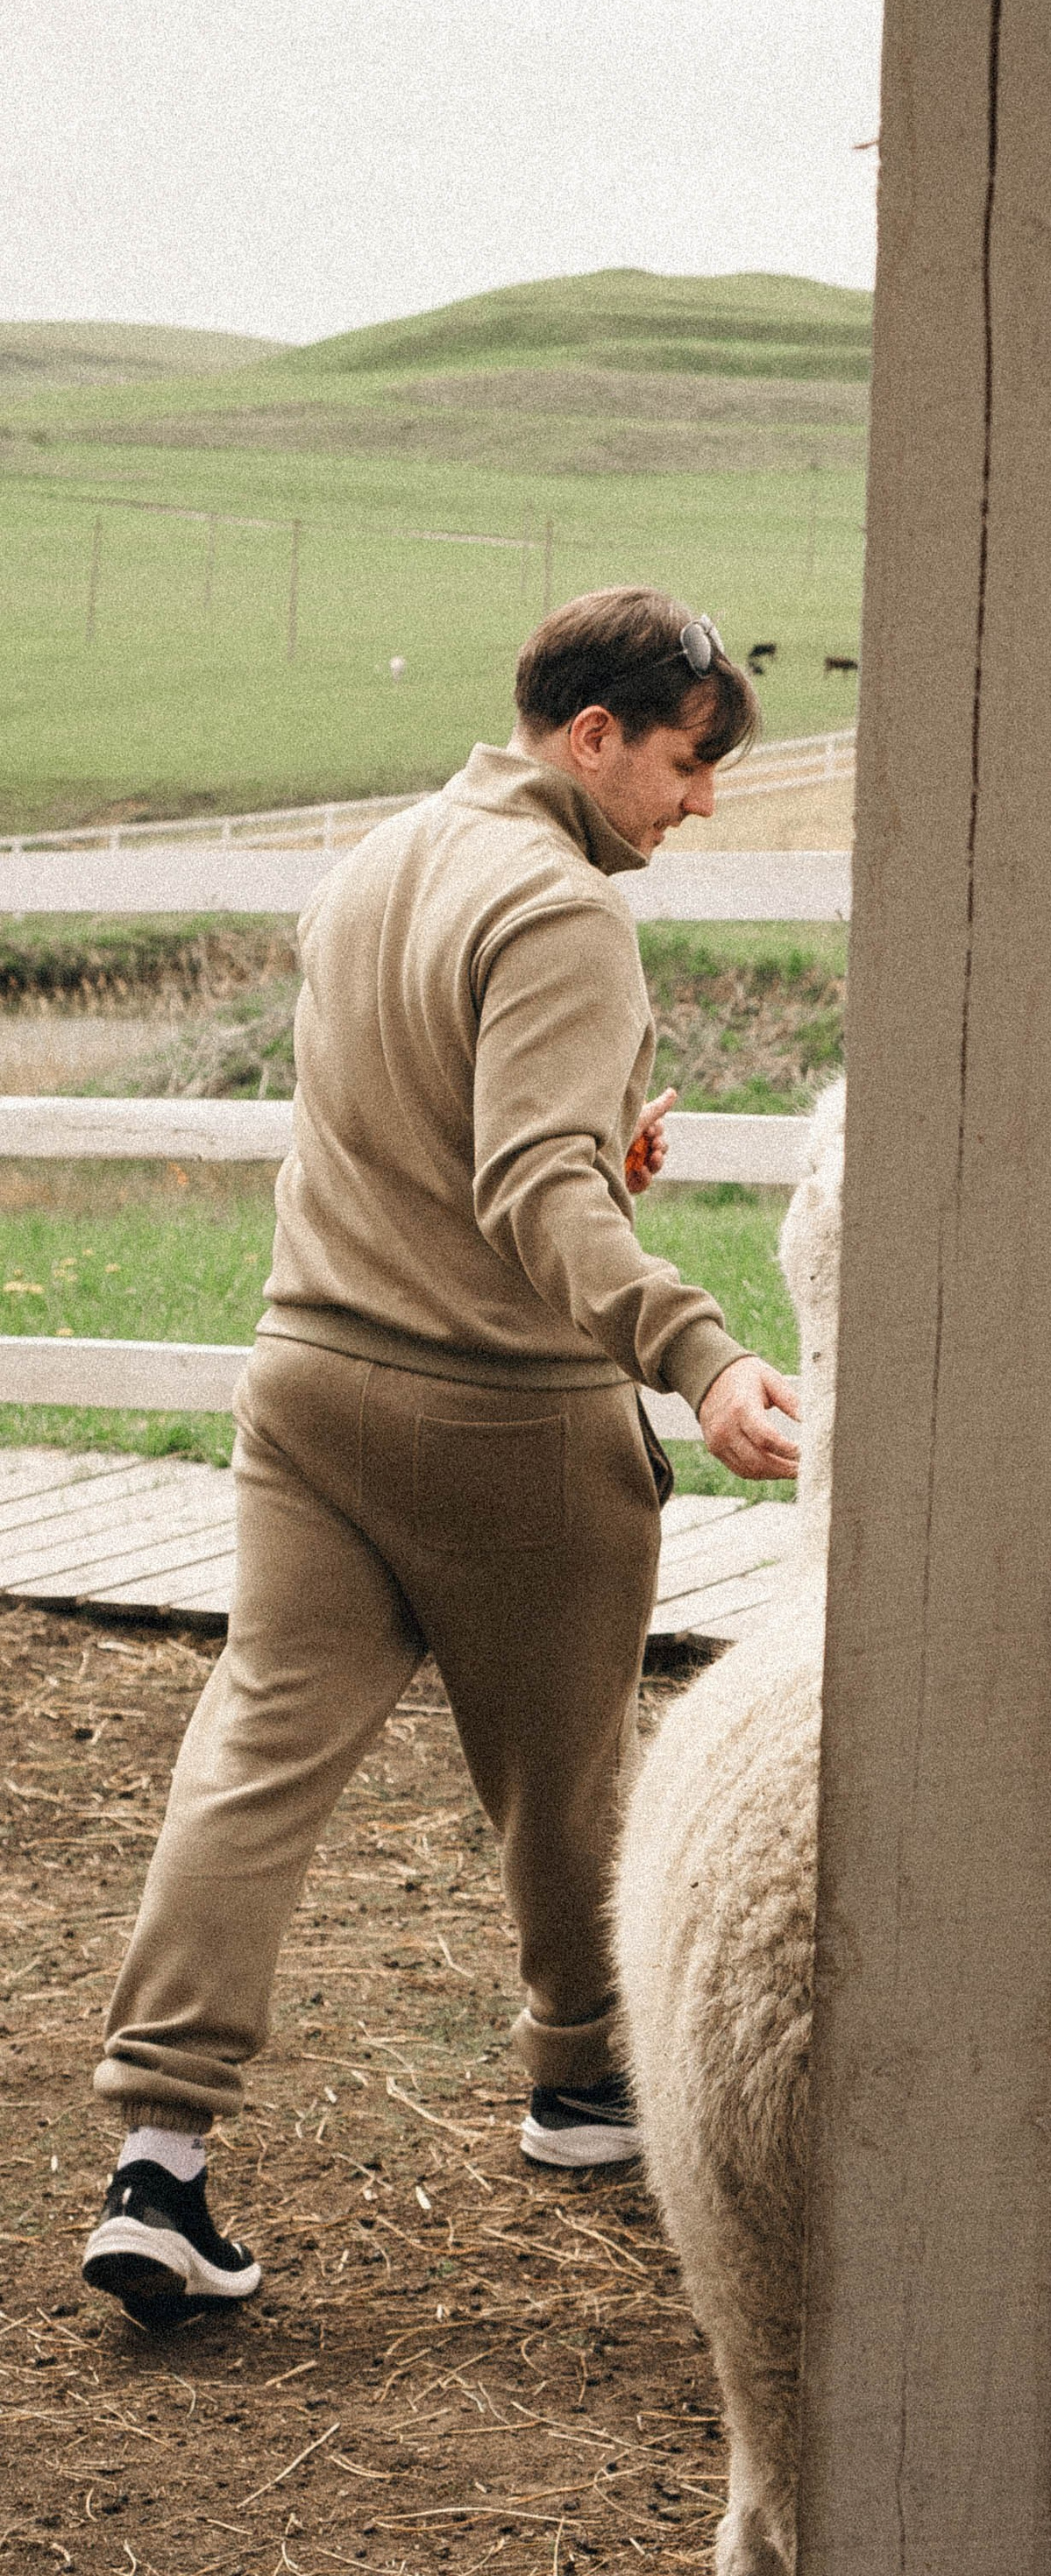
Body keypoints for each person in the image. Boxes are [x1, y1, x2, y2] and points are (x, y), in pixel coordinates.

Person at [81, 588, 802, 2330]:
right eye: (688, 769)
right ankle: (578, 2084)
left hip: (310, 1387)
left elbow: (403, 1128)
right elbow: (532, 1190)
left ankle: (156, 2163)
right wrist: (693, 1352)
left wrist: (576, 1164)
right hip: (501, 1417)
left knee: (252, 1759)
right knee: (562, 1780)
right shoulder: (563, 914)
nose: (697, 806)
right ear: (595, 737)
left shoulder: (378, 860)